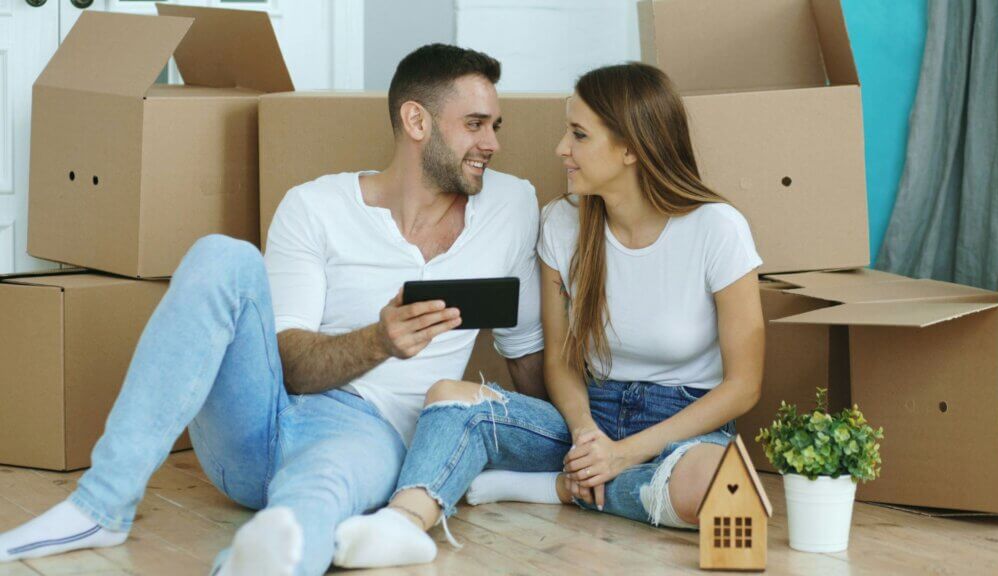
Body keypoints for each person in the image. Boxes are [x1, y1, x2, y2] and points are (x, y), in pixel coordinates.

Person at [0, 44, 546, 576]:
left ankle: (265, 556)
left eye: (496, 125)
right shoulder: (316, 206)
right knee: (223, 256)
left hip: (371, 433)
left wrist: (567, 448)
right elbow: (289, 365)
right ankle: (100, 506)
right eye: (475, 124)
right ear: (416, 121)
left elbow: (524, 349)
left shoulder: (511, 205)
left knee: (311, 500)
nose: (492, 142)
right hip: (259, 418)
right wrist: (379, 341)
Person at [332, 62, 765, 569]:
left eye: (578, 135)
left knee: (728, 492)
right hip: (589, 417)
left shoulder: (717, 229)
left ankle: (560, 488)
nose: (561, 148)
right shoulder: (562, 224)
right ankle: (402, 523)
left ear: (630, 148)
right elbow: (560, 362)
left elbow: (743, 386)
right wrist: (587, 437)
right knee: (451, 399)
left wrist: (623, 454)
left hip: (683, 425)